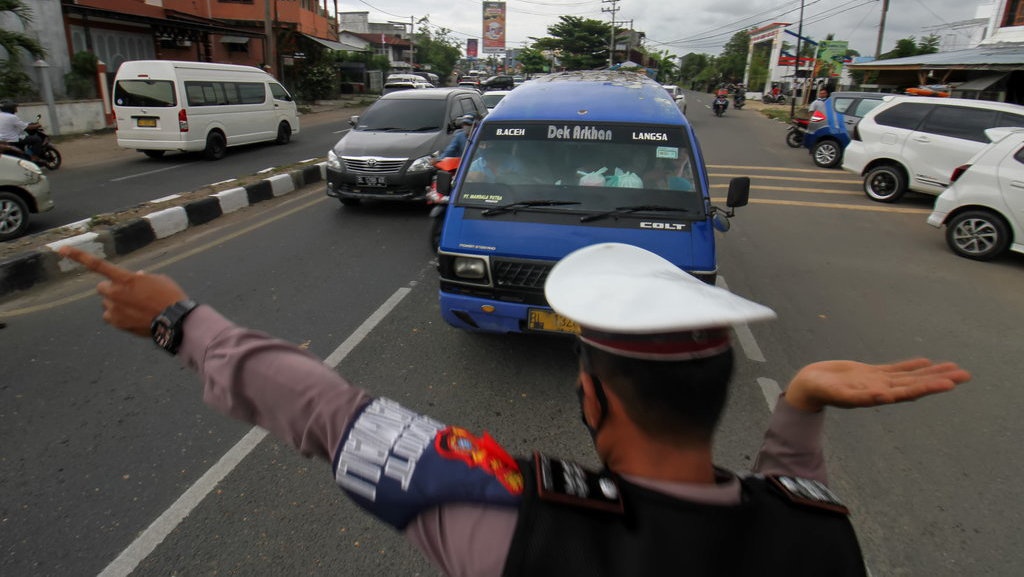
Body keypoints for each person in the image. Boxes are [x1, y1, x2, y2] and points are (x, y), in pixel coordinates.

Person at [58, 243, 970, 577]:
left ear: (591, 395)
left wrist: (177, 320)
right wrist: (801, 404)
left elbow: (336, 415)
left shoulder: (520, 523)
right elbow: (782, 499)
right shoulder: (824, 539)